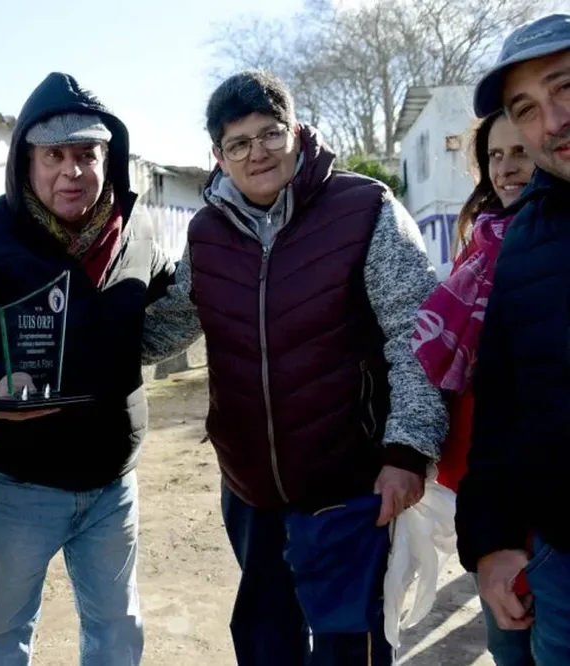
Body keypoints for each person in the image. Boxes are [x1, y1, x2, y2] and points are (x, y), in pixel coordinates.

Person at [142, 70, 448, 665]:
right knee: (264, 637)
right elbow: (172, 322)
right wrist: (83, 336)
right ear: (219, 155)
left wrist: (409, 449)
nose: (257, 153)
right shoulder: (207, 232)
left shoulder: (364, 208)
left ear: (297, 132)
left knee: (345, 645)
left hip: (348, 485)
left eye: (269, 134)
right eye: (238, 143)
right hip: (250, 486)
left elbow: (415, 332)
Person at [0, 72, 175, 666]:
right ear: (27, 161)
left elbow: (164, 311)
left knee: (116, 628)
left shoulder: (138, 230)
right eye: (55, 155)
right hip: (21, 481)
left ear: (108, 157)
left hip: (111, 479)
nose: (73, 171)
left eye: (87, 154)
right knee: (4, 632)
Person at [455, 13, 570, 665]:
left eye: (566, 88)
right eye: (526, 108)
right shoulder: (520, 239)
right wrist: (491, 539)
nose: (551, 122)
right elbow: (499, 404)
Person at [412, 109, 536, 666]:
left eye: (521, 152)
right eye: (496, 156)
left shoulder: (545, 244)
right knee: (507, 639)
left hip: (543, 474)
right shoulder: (480, 243)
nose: (508, 168)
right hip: (482, 472)